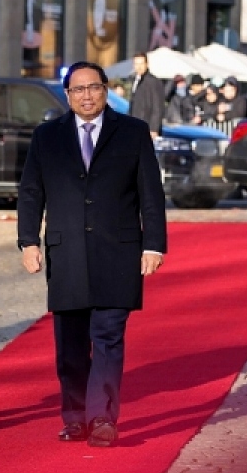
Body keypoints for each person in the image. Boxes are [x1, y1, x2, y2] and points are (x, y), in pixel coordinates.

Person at [17, 61, 167, 448]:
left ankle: (103, 417)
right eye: (78, 90)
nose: (87, 96)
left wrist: (154, 244)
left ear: (106, 89)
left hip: (118, 252)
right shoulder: (47, 137)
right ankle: (75, 416)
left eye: (94, 88)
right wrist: (29, 241)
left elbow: (151, 193)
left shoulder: (132, 132)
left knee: (108, 338)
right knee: (70, 346)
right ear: (67, 96)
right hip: (66, 254)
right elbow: (31, 192)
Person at [127, 52, 165, 137]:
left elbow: (158, 107)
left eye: (141, 64)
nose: (139, 67)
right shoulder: (135, 80)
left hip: (147, 127)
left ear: (147, 64)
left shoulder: (153, 81)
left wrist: (154, 129)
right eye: (136, 64)